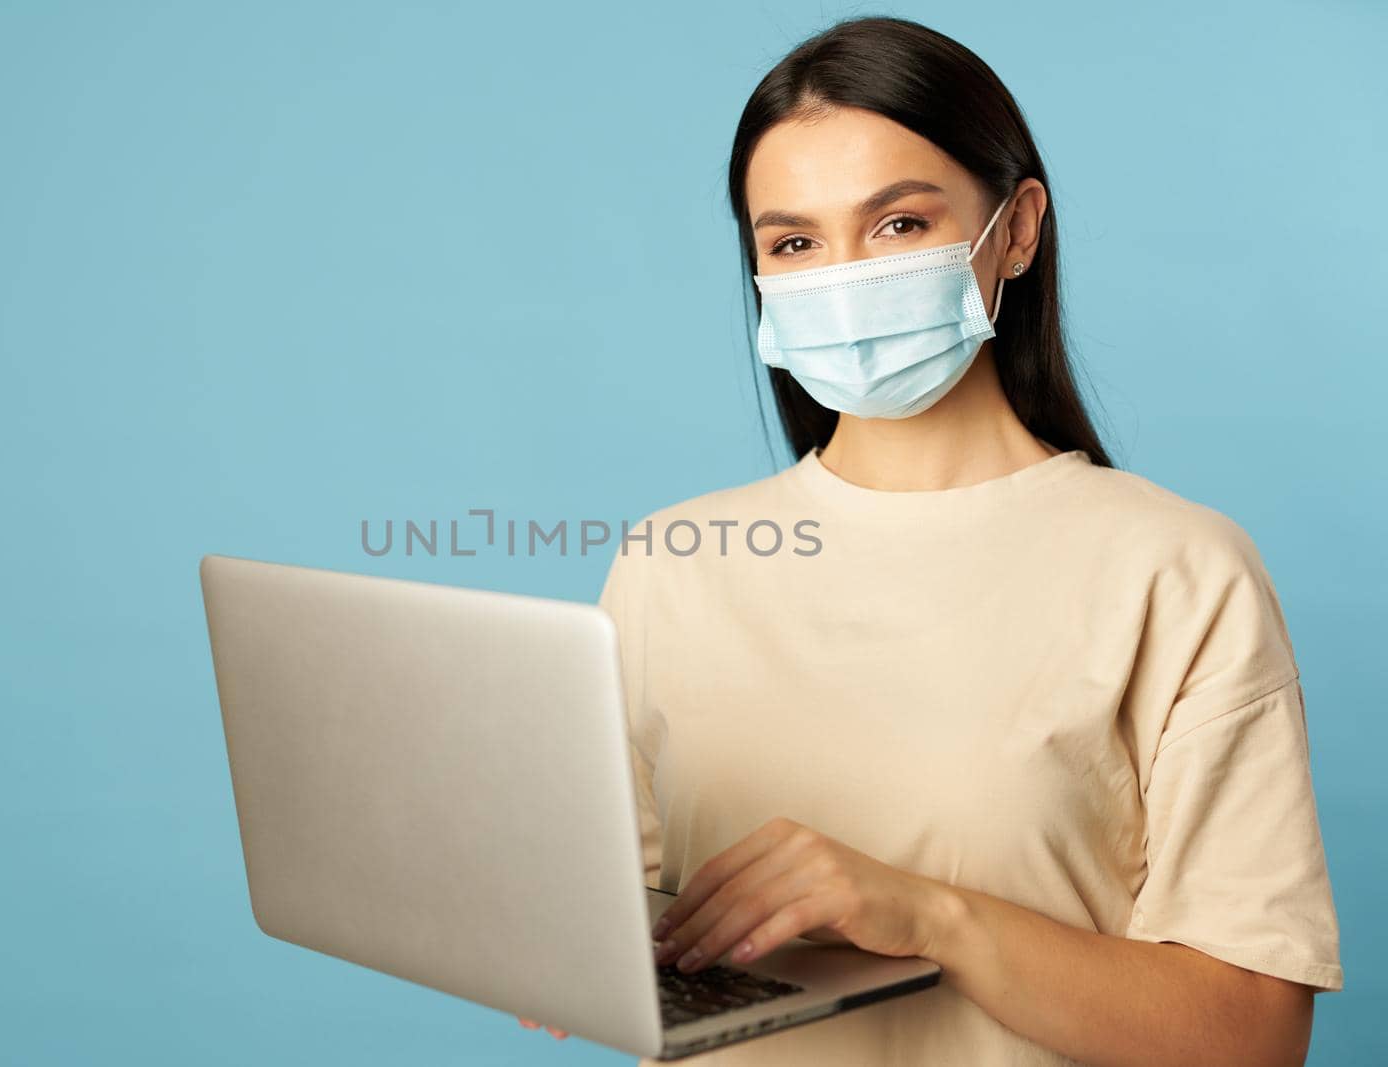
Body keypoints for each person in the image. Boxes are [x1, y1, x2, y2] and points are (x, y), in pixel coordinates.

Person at [521, 15, 1343, 1065]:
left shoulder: (1175, 571)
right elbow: (620, 923)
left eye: (898, 225)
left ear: (1015, 228)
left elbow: (1254, 1037)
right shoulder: (667, 561)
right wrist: (567, 951)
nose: (842, 280)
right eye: (794, 243)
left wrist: (928, 916)